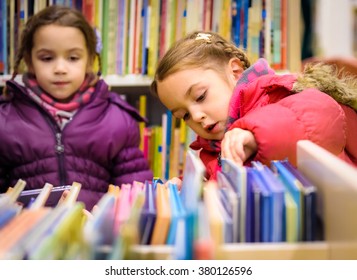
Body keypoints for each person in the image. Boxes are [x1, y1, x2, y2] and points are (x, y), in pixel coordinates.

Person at [0, 5, 153, 210]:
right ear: (29, 60)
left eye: (73, 58)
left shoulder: (117, 119)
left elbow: (135, 192)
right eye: (47, 58)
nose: (60, 69)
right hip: (28, 235)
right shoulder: (5, 120)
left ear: (89, 60)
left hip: (92, 235)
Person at [150, 31, 357, 180]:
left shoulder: (276, 91)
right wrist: (194, 188)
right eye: (183, 115)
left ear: (236, 72)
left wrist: (253, 134)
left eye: (201, 96)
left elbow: (321, 113)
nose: (195, 116)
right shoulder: (213, 150)